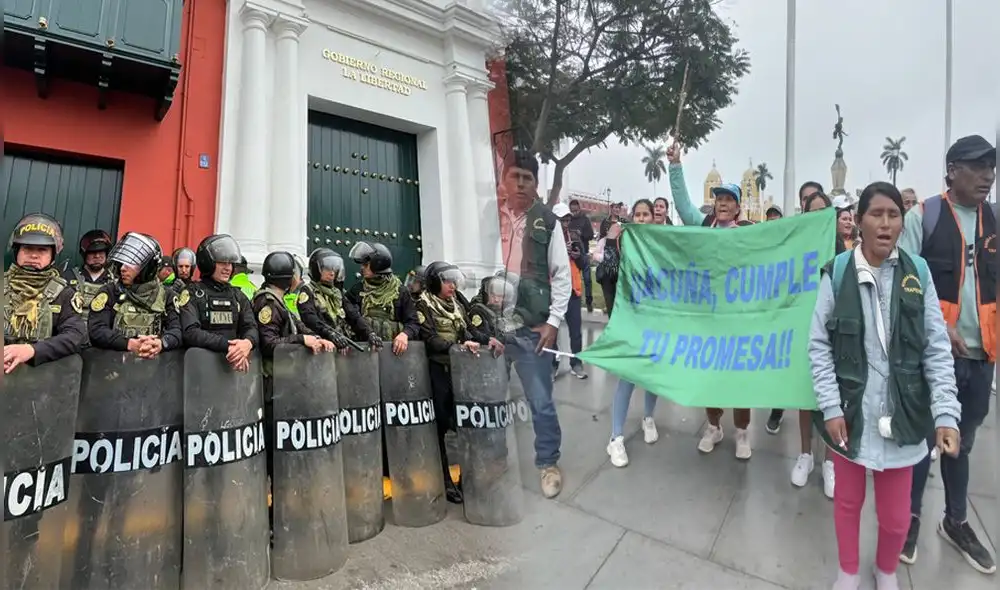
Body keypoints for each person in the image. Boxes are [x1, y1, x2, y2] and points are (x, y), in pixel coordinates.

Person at [809, 181, 962, 590]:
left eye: (893, 215)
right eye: (876, 214)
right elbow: (819, 344)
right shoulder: (837, 272)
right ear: (858, 222)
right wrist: (830, 407)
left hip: (905, 418)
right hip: (849, 415)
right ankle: (847, 571)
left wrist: (946, 413)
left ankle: (887, 570)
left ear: (901, 222)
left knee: (896, 517)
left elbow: (935, 346)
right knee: (847, 502)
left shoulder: (919, 273)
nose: (885, 223)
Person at [899, 135, 996, 573]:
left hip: (981, 358)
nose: (989, 175)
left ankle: (955, 521)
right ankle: (910, 518)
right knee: (924, 441)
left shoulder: (994, 221)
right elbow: (900, 283)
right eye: (978, 166)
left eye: (992, 167)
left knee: (962, 443)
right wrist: (940, 325)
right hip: (936, 357)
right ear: (953, 170)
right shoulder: (925, 217)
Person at [667, 142, 752, 459]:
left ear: (738, 206)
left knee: (739, 376)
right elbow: (682, 203)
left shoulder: (750, 233)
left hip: (738, 317)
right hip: (707, 316)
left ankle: (742, 432)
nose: (723, 204)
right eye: (719, 199)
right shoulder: (702, 225)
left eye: (729, 199)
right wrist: (675, 166)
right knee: (710, 373)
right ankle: (714, 426)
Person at [497, 150, 571, 498]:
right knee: (486, 398)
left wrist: (554, 322)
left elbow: (561, 276)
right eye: (516, 176)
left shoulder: (548, 222)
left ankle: (548, 464)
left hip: (531, 327)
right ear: (504, 179)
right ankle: (491, 460)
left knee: (540, 400)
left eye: (528, 178)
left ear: (536, 184)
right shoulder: (488, 218)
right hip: (490, 328)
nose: (522, 183)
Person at [765, 189, 841, 498]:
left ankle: (831, 462)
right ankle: (806, 455)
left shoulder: (841, 253)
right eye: (812, 212)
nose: (818, 217)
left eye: (824, 211)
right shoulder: (795, 249)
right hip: (802, 330)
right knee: (805, 396)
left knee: (831, 399)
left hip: (833, 333)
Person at [415, 261, 499, 503]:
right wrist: (457, 346)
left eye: (454, 281)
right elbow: (430, 339)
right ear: (434, 282)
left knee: (465, 423)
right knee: (440, 428)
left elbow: (467, 333)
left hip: (460, 371)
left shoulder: (457, 304)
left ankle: (468, 478)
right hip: (437, 371)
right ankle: (445, 481)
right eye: (447, 281)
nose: (452, 285)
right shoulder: (424, 304)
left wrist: (488, 340)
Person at [603, 199, 661, 468]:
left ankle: (648, 417)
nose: (641, 218)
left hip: (656, 322)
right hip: (629, 321)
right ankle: (616, 437)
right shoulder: (621, 242)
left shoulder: (662, 244)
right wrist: (610, 243)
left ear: (654, 217)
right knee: (627, 378)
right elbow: (607, 275)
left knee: (651, 376)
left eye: (645, 214)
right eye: (636, 214)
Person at [4, 213, 86, 374]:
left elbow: (75, 336)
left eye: (42, 250)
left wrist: (32, 350)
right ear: (17, 251)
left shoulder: (63, 294)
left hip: (42, 380)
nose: (34, 255)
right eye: (27, 248)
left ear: (52, 256)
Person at [88, 232, 182, 356]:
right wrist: (128, 344)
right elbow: (97, 330)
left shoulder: (167, 296)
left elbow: (177, 331)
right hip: (112, 364)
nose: (122, 268)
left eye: (131, 263)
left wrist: (160, 343)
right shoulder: (110, 292)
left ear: (148, 267)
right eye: (122, 263)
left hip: (155, 365)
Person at [178, 234, 258, 372]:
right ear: (208, 262)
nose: (228, 268)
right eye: (222, 262)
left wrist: (247, 343)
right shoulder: (192, 293)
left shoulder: (238, 295)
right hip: (201, 372)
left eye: (230, 263)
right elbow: (191, 332)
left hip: (232, 372)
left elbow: (251, 326)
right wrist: (228, 346)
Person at [298, 247, 381, 352]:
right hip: (321, 348)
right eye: (327, 268)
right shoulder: (307, 291)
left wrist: (370, 333)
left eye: (334, 269)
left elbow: (354, 316)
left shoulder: (337, 293)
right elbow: (310, 318)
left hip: (342, 345)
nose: (332, 273)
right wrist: (330, 333)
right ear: (316, 269)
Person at [346, 241, 419, 356]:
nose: (362, 268)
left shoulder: (400, 291)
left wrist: (405, 335)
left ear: (377, 265)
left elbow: (413, 322)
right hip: (365, 352)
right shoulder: (357, 290)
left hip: (393, 352)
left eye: (366, 265)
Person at [552, 202, 588, 380]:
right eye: (561, 220)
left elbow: (584, 263)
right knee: (553, 330)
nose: (565, 224)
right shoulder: (548, 238)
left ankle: (576, 363)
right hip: (555, 290)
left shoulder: (574, 235)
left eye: (567, 220)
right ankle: (553, 364)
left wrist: (577, 256)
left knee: (576, 331)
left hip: (573, 289)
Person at [64, 229, 115, 345]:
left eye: (101, 252)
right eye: (92, 252)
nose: (97, 256)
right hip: (72, 341)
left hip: (103, 343)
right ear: (84, 254)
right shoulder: (68, 277)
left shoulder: (115, 283)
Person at [568, 199, 596, 311]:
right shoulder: (568, 220)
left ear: (579, 208)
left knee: (587, 279)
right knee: (571, 279)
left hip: (583, 253)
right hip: (571, 253)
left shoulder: (585, 220)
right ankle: (572, 301)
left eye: (575, 210)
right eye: (572, 210)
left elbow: (591, 235)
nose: (574, 212)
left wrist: (581, 234)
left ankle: (589, 302)